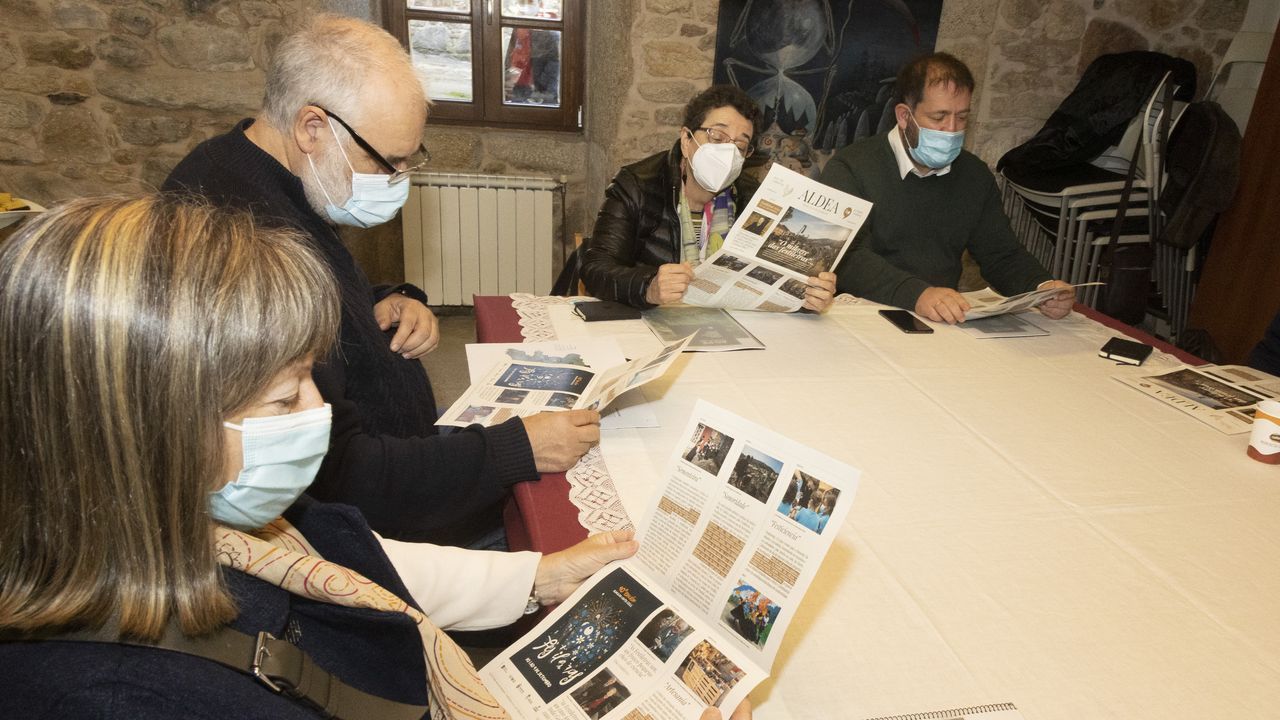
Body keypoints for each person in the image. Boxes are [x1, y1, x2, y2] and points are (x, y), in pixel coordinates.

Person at [0, 195, 639, 718]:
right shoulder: (123, 699)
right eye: (285, 397)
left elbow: (355, 566)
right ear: (152, 430)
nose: (319, 412)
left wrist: (538, 576)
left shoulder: (205, 516)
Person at [163, 15, 598, 548]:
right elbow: (338, 471)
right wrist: (517, 451)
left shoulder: (259, 171)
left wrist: (386, 298)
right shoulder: (241, 232)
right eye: (387, 161)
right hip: (380, 517)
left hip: (401, 443)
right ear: (312, 128)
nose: (397, 179)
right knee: (562, 526)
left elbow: (321, 301)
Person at [820, 52, 1075, 325]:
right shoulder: (851, 167)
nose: (951, 130)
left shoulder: (974, 175)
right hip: (860, 317)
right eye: (939, 117)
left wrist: (1040, 287)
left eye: (962, 118)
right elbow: (844, 257)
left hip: (940, 321)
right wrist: (918, 294)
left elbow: (1000, 253)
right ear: (905, 116)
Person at [581, 84, 837, 311]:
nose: (727, 151)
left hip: (726, 326)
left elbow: (770, 278)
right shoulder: (636, 184)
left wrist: (806, 294)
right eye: (717, 136)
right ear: (686, 139)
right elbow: (595, 269)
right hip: (650, 323)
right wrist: (648, 286)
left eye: (739, 145)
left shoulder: (752, 196)